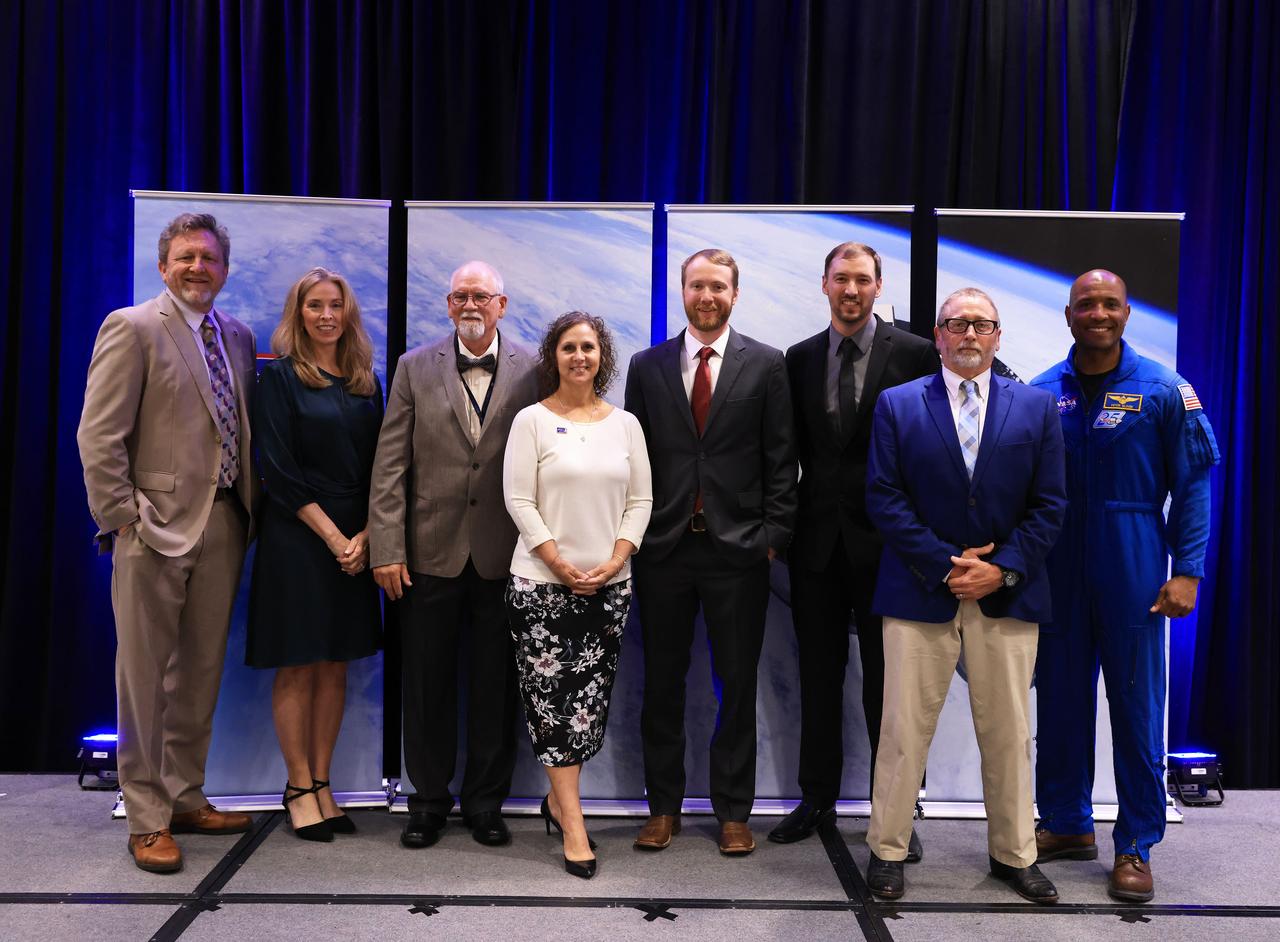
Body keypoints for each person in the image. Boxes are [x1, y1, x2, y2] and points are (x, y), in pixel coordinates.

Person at [862, 288, 1066, 904]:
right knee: (902, 732)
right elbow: (883, 497)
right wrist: (945, 565)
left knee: (1008, 733)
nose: (970, 334)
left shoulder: (1036, 409)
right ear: (939, 334)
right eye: (957, 324)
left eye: (981, 325)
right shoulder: (897, 405)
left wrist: (1000, 569)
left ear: (998, 336)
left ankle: (1014, 855)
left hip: (1007, 596)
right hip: (920, 590)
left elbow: (1050, 505)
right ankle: (888, 851)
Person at [77, 213, 260, 873]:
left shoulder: (234, 336)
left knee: (199, 673)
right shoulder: (132, 328)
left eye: (208, 259)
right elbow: (98, 437)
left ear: (223, 269)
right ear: (163, 266)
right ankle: (148, 818)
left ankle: (184, 797)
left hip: (223, 522)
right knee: (145, 680)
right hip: (150, 529)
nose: (197, 268)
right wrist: (123, 517)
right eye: (185, 257)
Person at [1031, 269, 1219, 903]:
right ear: (1068, 314)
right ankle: (1064, 823)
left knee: (1136, 709)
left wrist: (1187, 570)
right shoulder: (1040, 393)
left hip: (1134, 559)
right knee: (1059, 702)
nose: (1098, 313)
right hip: (1056, 568)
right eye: (1087, 304)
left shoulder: (1166, 389)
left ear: (1128, 312)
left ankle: (1135, 841)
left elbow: (1193, 485)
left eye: (1110, 303)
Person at [624, 248, 797, 856]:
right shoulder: (646, 367)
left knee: (736, 683)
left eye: (718, 287)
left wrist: (772, 539)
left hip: (739, 553)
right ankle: (662, 809)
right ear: (682, 290)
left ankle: (732, 812)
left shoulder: (767, 365)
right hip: (664, 550)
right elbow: (633, 460)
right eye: (698, 285)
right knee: (663, 684)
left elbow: (782, 459)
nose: (707, 296)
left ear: (734, 293)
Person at [774, 242, 939, 853]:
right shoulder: (798, 358)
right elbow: (785, 454)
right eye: (841, 279)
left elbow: (934, 449)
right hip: (815, 546)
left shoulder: (920, 354)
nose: (851, 290)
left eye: (862, 280)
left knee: (889, 687)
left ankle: (896, 810)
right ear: (824, 285)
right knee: (818, 679)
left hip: (891, 548)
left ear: (878, 285)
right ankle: (816, 798)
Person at [368, 260, 538, 850]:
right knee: (427, 687)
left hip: (506, 557)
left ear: (502, 304)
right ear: (447, 304)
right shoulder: (414, 367)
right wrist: (386, 548)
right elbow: (390, 465)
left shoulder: (534, 369)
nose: (471, 304)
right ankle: (429, 803)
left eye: (482, 296)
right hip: (426, 557)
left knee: (496, 688)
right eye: (461, 296)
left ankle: (486, 804)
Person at [502, 312, 653, 879]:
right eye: (569, 347)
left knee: (586, 711)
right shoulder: (531, 422)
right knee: (553, 710)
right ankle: (573, 823)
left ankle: (556, 803)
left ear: (602, 356)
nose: (579, 356)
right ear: (554, 356)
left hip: (608, 590)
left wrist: (615, 560)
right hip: (542, 588)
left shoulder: (626, 426)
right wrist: (560, 563)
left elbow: (641, 501)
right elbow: (518, 500)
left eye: (588, 347)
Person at [246, 268, 384, 842]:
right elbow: (277, 471)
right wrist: (336, 540)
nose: (326, 315)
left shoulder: (364, 379)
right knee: (298, 662)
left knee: (336, 664)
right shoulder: (278, 381)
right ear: (297, 313)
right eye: (314, 306)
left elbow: (388, 464)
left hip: (358, 538)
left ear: (348, 313)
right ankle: (298, 786)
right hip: (300, 539)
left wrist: (368, 536)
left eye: (336, 306)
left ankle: (324, 784)